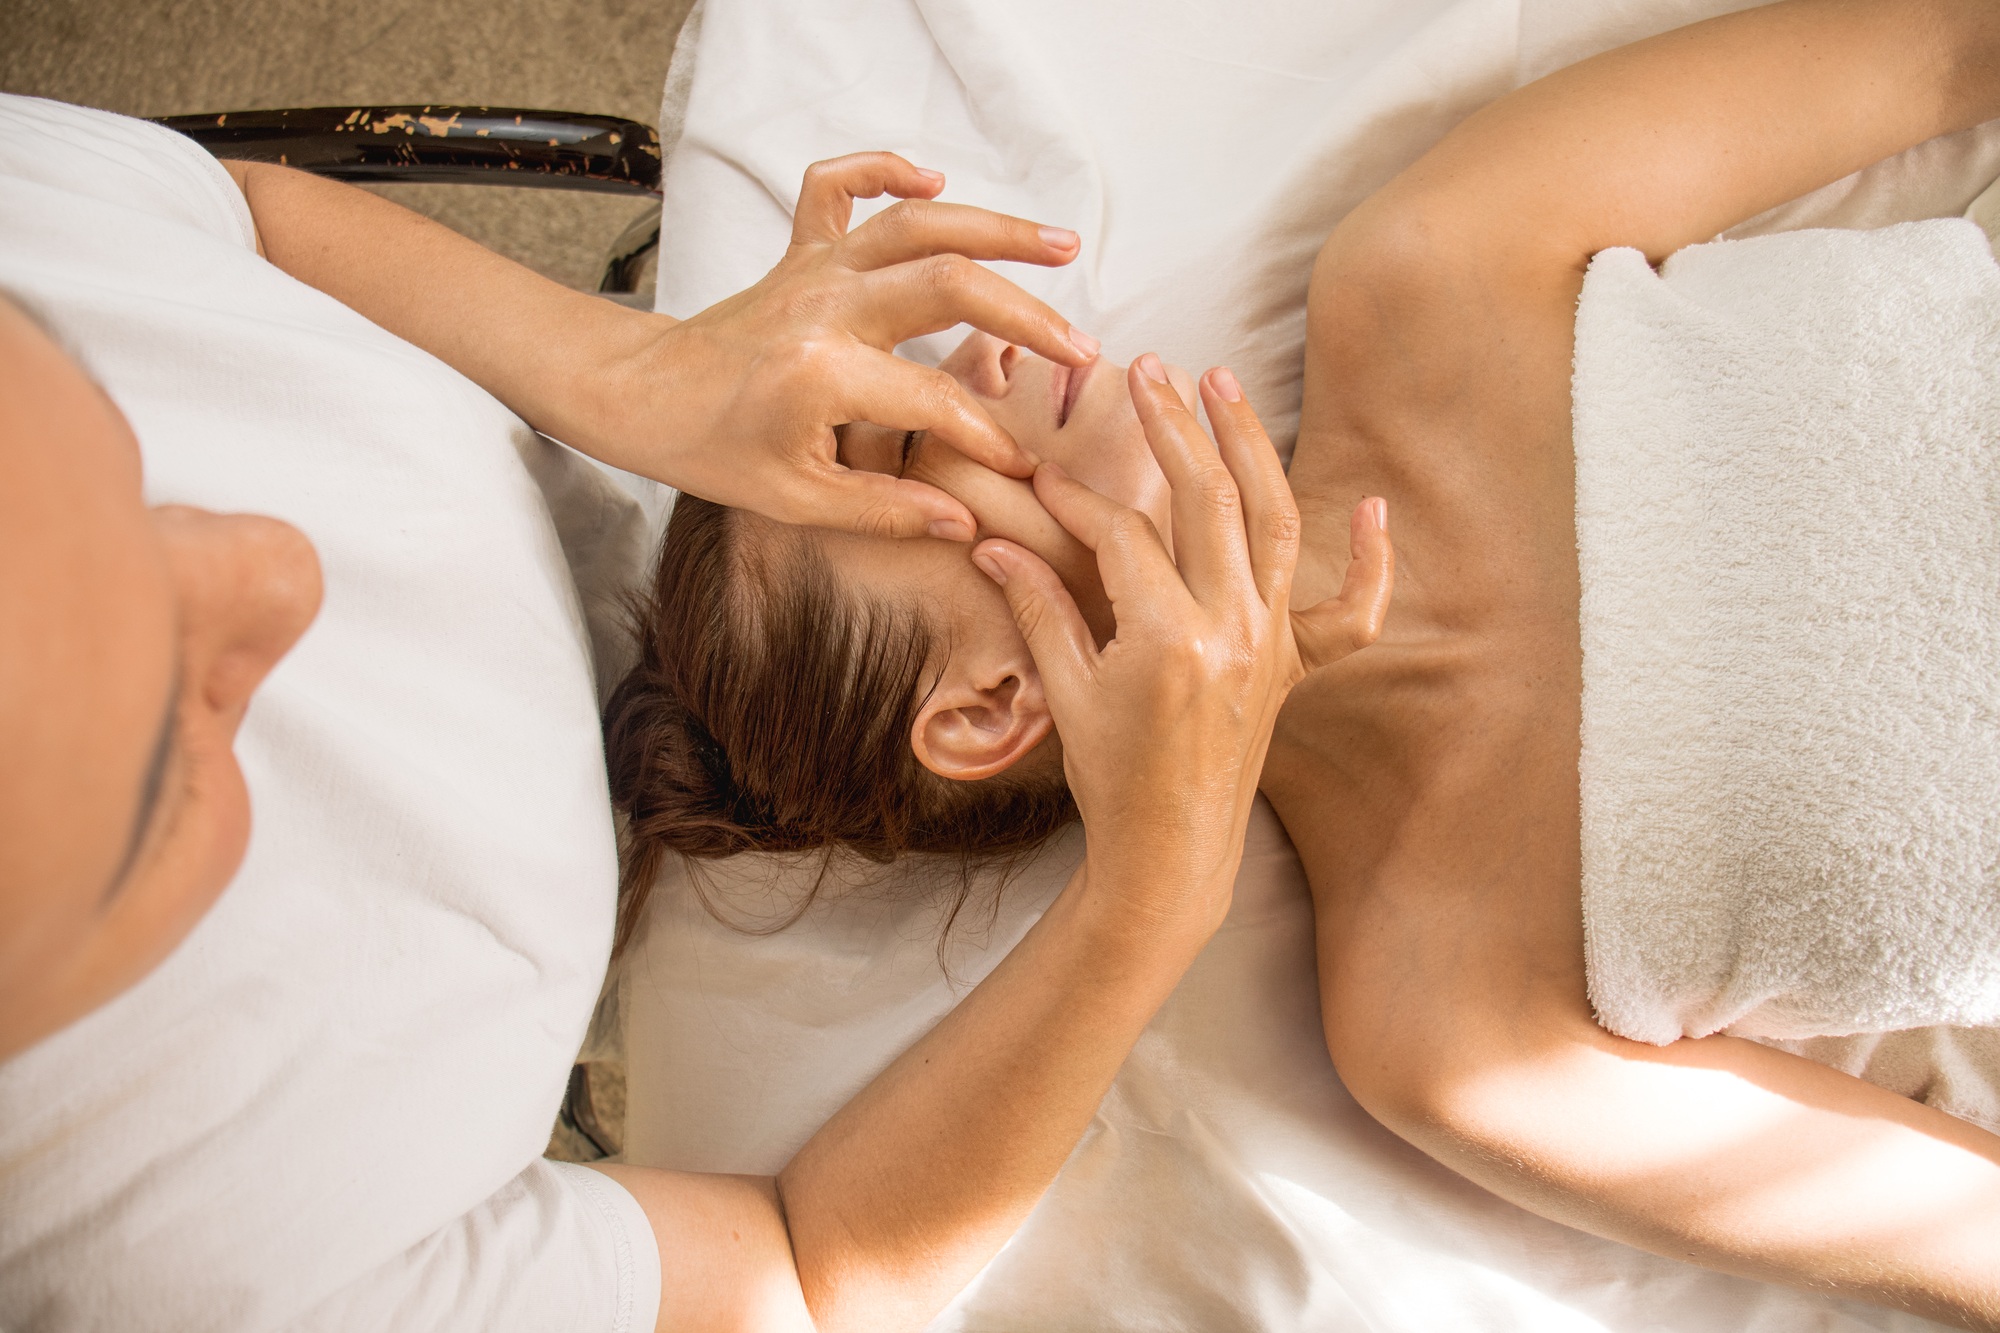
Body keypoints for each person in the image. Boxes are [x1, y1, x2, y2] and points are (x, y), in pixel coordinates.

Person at [606, 0, 2000, 1325]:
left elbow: (1953, 52)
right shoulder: (1441, 1019)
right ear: (990, 705)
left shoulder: (1436, 270)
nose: (978, 350)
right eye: (914, 441)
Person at [0, 98, 1368, 1332]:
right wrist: (1152, 896)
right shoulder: (205, 1259)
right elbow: (798, 1269)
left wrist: (621, 372)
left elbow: (230, 213)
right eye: (167, 754)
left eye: (122, 472)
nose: (283, 561)